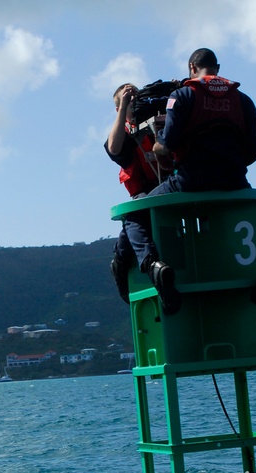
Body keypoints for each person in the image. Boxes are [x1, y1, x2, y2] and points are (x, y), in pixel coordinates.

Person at [109, 48, 256, 310]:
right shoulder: (243, 99)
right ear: (217, 68)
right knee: (254, 210)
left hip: (190, 180)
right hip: (234, 179)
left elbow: (166, 145)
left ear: (192, 67)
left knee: (136, 211)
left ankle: (154, 266)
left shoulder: (182, 96)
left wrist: (158, 147)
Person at [106, 82, 182, 310]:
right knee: (134, 219)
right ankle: (139, 265)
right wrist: (124, 108)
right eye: (128, 101)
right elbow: (114, 148)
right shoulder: (126, 134)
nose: (133, 102)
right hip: (144, 193)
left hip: (167, 189)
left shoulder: (157, 122)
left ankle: (132, 264)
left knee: (132, 222)